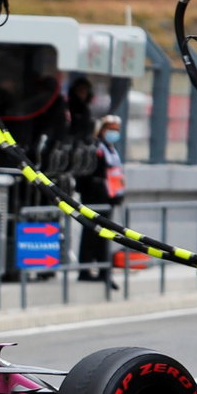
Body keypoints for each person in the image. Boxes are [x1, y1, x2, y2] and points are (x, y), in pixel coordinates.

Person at [77, 115, 125, 287]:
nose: (114, 133)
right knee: (91, 234)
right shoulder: (97, 149)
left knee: (103, 236)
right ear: (103, 129)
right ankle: (86, 270)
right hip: (95, 199)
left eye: (116, 130)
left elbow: (114, 175)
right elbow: (91, 177)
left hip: (108, 199)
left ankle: (104, 271)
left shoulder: (111, 149)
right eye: (111, 129)